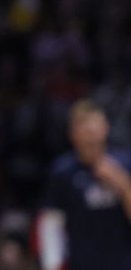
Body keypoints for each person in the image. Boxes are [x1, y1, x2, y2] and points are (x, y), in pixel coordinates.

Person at [37, 100, 131, 270]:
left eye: (95, 124)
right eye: (84, 125)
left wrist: (123, 185)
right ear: (72, 134)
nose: (91, 132)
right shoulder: (63, 172)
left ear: (106, 128)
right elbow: (51, 224)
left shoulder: (126, 163)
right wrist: (52, 264)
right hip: (82, 263)